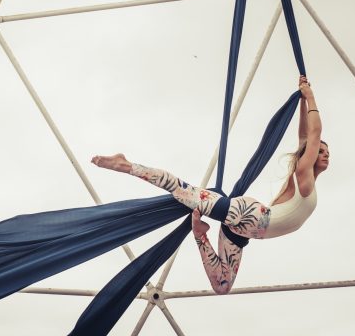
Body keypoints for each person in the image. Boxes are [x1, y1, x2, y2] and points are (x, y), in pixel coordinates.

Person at [91, 76, 329, 294]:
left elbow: (305, 138)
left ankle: (199, 234)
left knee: (222, 285)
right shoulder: (302, 175)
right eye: (321, 151)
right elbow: (313, 134)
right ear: (308, 156)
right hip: (250, 217)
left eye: (326, 152)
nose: (325, 154)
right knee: (183, 191)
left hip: (243, 230)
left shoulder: (306, 178)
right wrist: (309, 96)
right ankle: (127, 165)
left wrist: (301, 102)